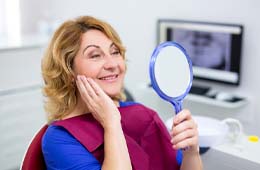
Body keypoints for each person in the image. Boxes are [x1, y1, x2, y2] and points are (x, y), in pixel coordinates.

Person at [41, 15, 203, 170]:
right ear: (68, 72)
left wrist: (192, 153)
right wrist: (111, 123)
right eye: (95, 55)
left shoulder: (144, 115)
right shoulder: (59, 139)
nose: (112, 64)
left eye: (115, 52)